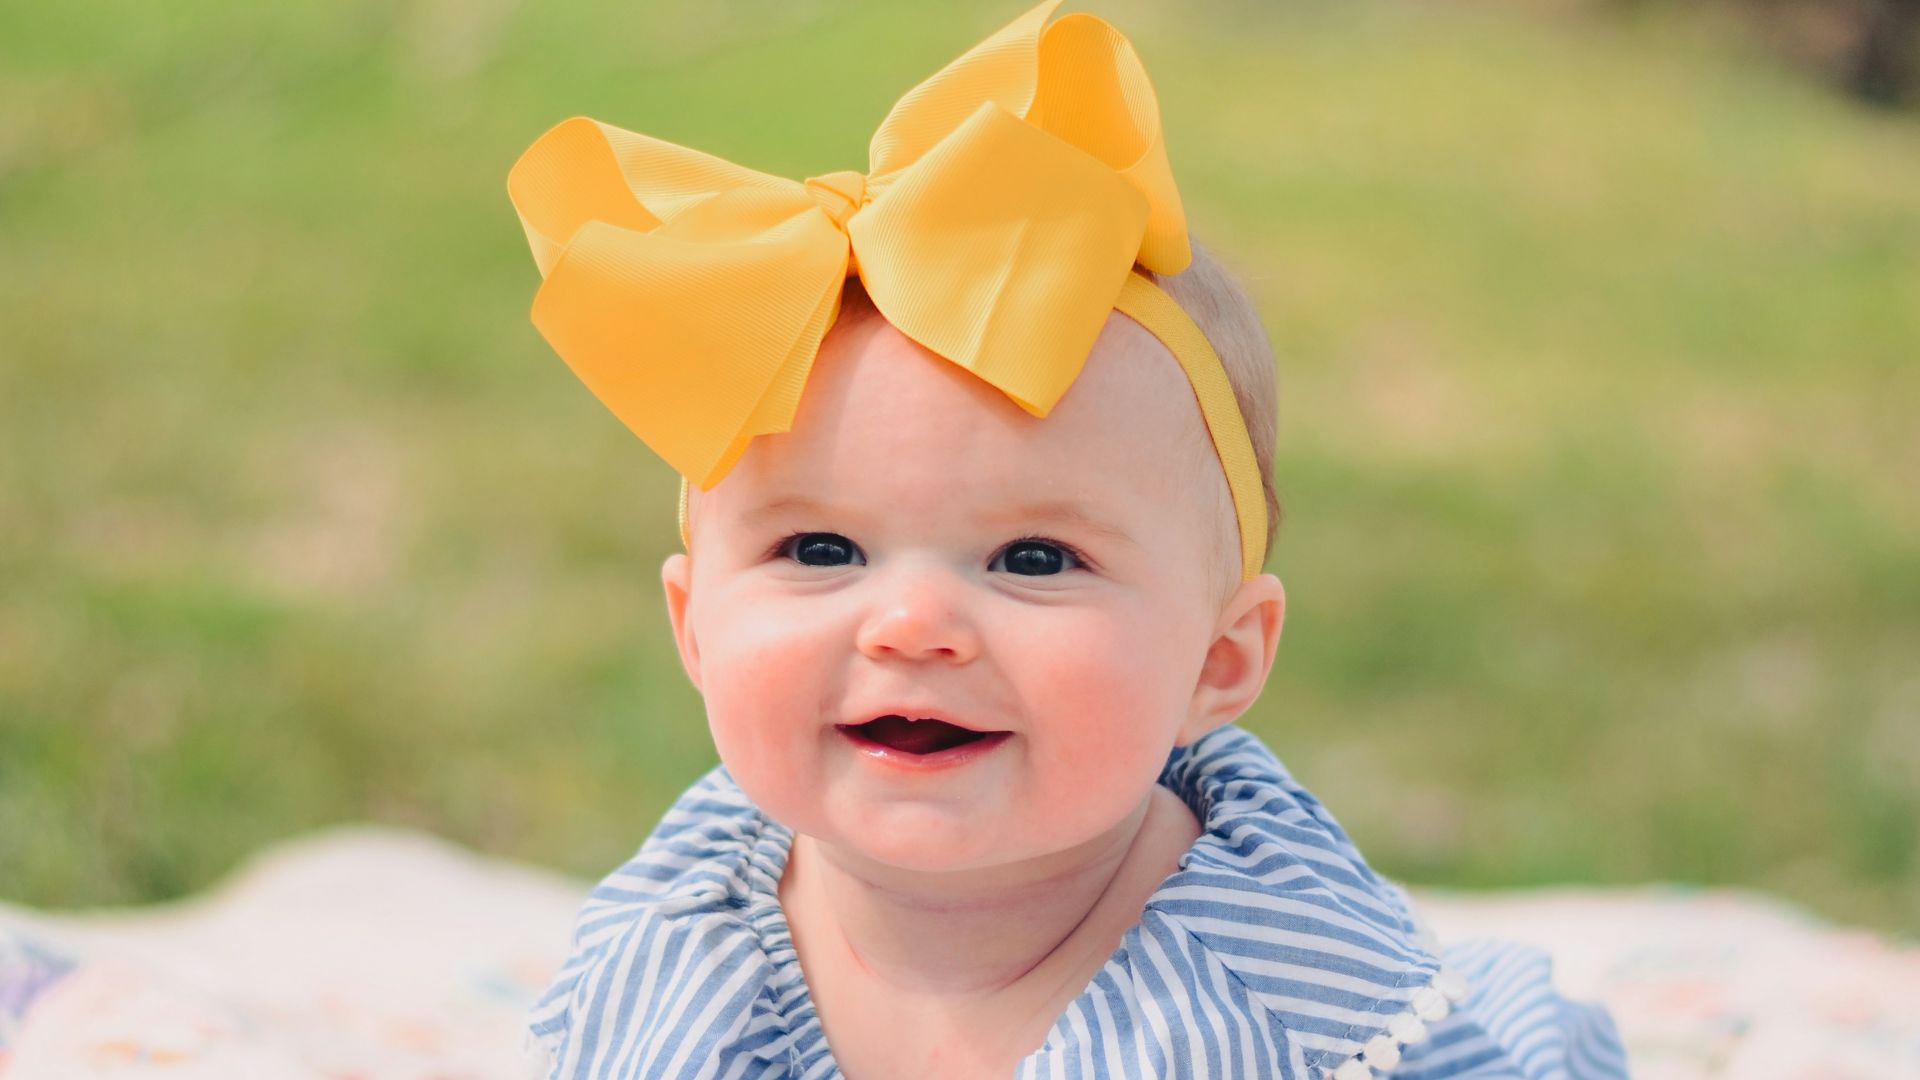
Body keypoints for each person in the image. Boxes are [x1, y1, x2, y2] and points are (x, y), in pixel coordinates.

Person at [506, 2, 1628, 1076]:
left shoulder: (1279, 1003)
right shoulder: (685, 930)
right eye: (820, 551)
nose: (912, 625)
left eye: (1034, 560)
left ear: (1217, 662)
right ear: (694, 626)